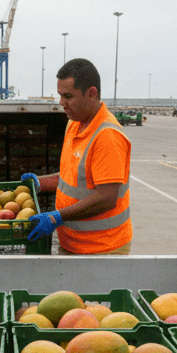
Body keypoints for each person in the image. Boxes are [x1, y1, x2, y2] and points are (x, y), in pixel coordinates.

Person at [21, 59, 132, 256]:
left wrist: (56, 217)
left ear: (92, 93)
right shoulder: (74, 124)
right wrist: (40, 183)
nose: (61, 103)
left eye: (68, 96)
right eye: (60, 95)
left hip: (102, 250)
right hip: (73, 244)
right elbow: (73, 179)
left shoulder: (107, 136)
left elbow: (107, 198)